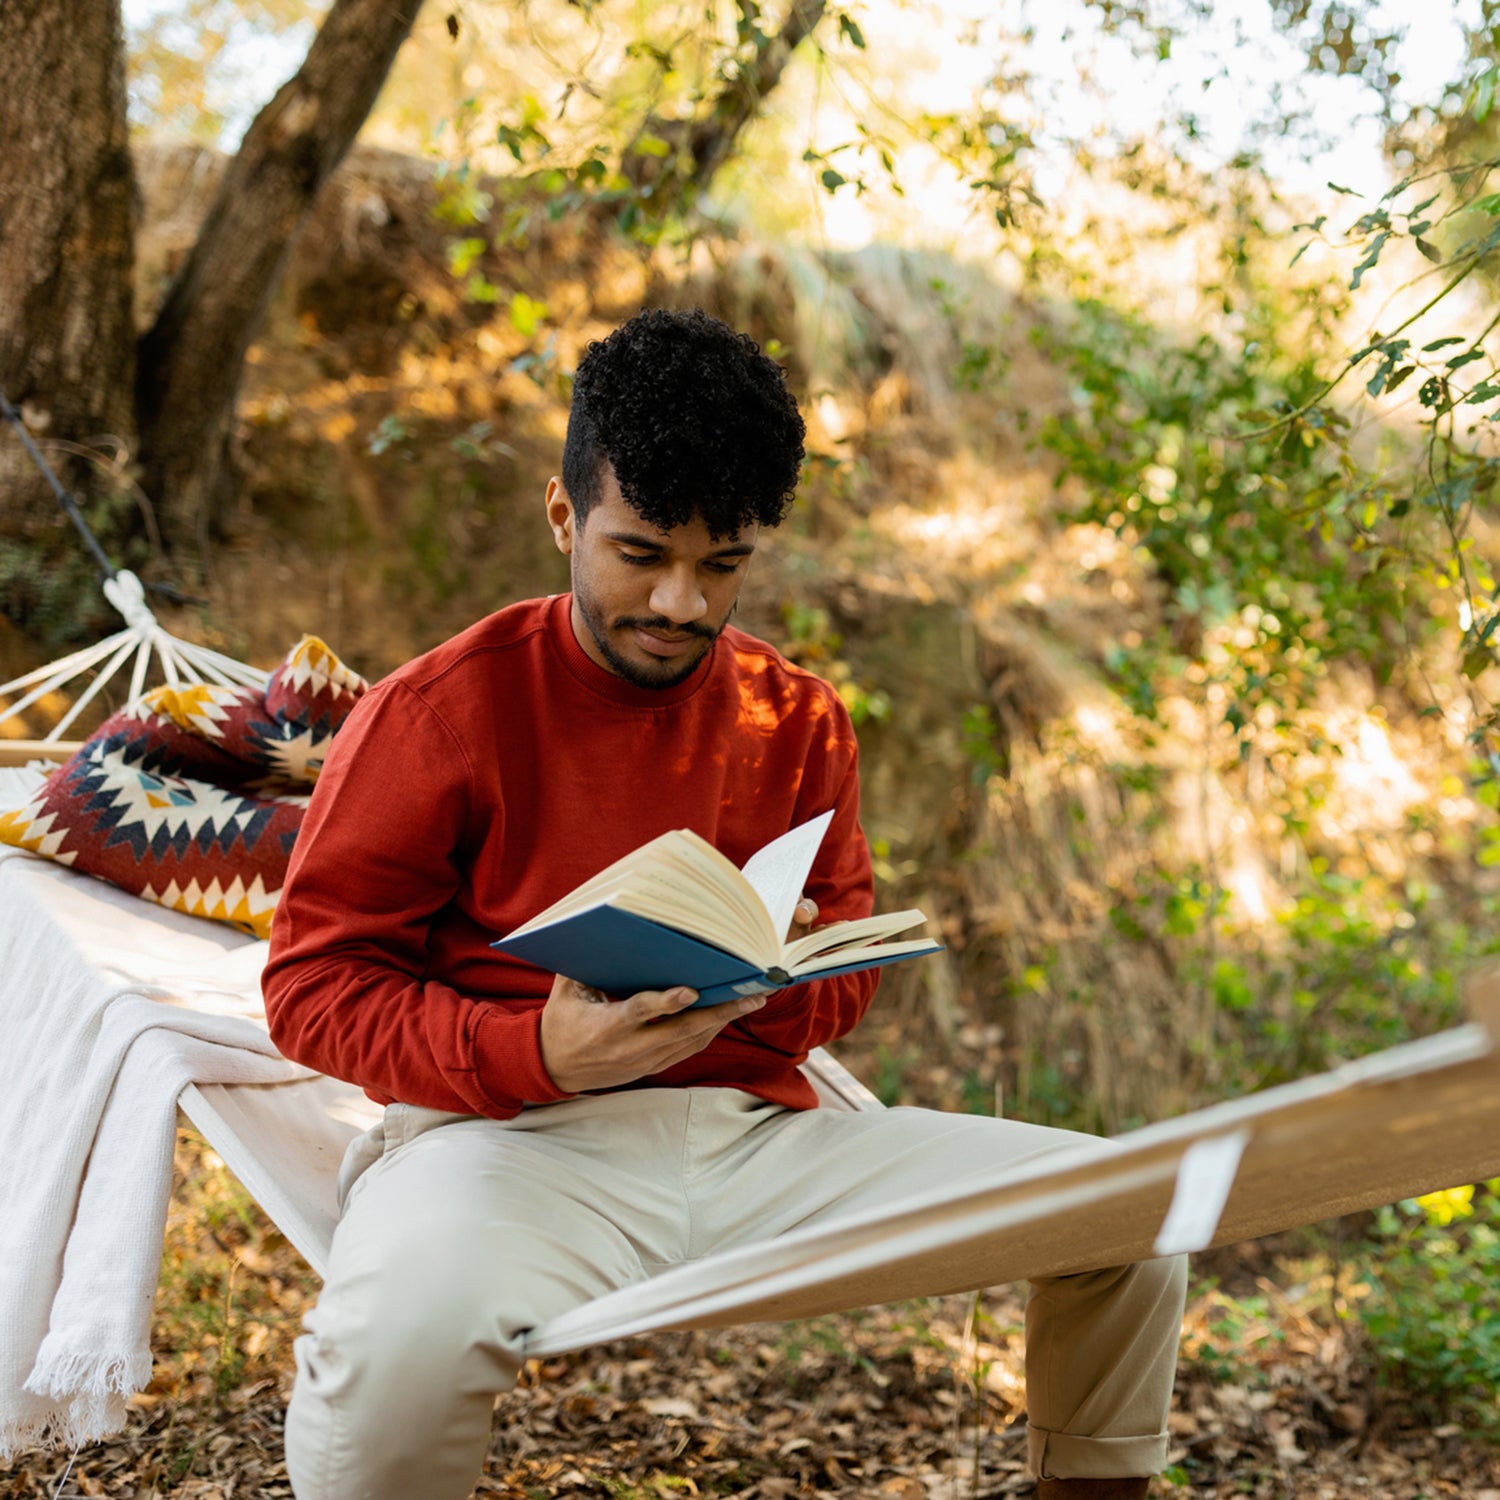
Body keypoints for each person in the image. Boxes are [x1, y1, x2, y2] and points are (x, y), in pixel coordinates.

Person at [262, 307, 1187, 1500]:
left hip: (756, 1143)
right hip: (500, 1150)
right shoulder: (441, 712)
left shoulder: (797, 718)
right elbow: (312, 991)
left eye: (725, 562)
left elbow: (841, 974)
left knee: (1131, 1216)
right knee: (394, 1347)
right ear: (563, 518)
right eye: (642, 554)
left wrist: (787, 980)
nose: (685, 605)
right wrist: (535, 1047)